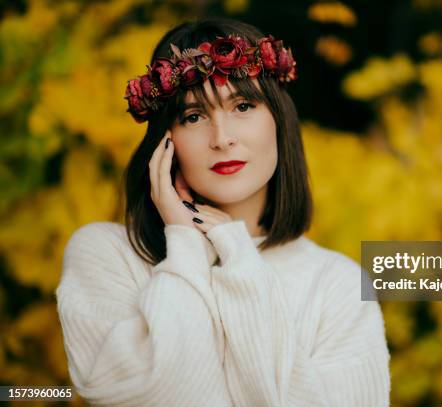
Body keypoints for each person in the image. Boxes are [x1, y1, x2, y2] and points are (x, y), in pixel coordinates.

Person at [56, 17, 390, 406]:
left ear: (279, 121)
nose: (222, 138)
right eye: (193, 116)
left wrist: (237, 254)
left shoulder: (337, 284)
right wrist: (184, 244)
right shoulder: (108, 254)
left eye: (243, 105)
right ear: (166, 141)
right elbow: (154, 395)